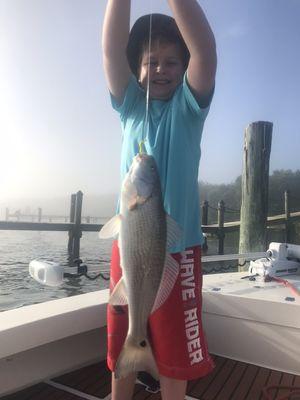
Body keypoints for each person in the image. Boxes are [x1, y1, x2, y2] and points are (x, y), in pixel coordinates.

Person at [102, 1, 217, 399]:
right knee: (123, 341)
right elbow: (111, 50)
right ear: (136, 71)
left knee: (176, 352)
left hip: (179, 253)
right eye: (152, 61)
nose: (162, 69)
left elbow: (204, 49)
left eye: (172, 61)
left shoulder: (189, 109)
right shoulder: (130, 106)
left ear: (184, 70)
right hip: (129, 245)